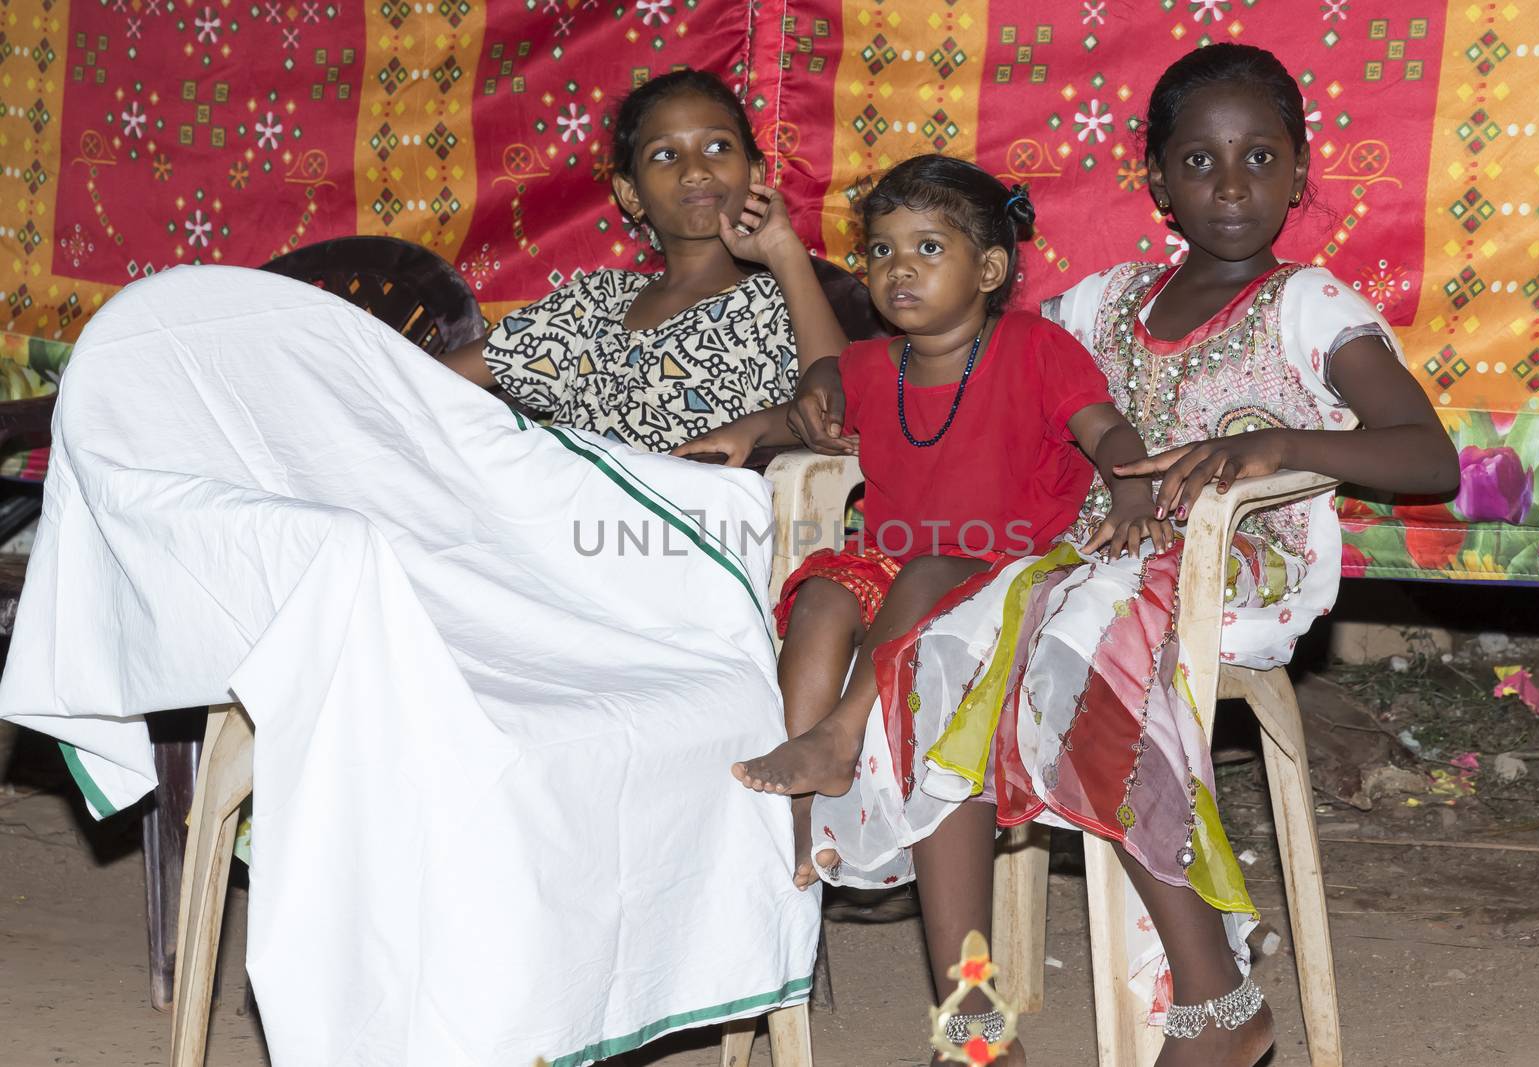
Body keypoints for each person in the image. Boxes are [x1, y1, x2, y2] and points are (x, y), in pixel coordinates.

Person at [783, 44, 1458, 1067]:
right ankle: (973, 1015)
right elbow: (960, 336)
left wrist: (1271, 443)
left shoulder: (1307, 304)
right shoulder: (1104, 303)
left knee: (1065, 639)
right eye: (1198, 163)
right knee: (932, 652)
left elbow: (1427, 456)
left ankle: (1215, 996)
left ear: (1298, 169)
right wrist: (832, 377)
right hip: (1084, 560)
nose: (1229, 187)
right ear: (1157, 180)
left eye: (1259, 159)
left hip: (1231, 567)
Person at [730, 153, 1169, 1064]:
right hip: (901, 579)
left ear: (991, 268)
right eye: (882, 250)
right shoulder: (865, 363)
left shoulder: (1037, 350)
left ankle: (840, 736)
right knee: (820, 593)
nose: (899, 268)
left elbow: (1103, 429)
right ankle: (800, 843)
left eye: (929, 247)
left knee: (927, 571)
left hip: (1009, 585)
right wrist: (747, 432)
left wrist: (1130, 486)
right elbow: (799, 412)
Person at [443, 69, 846, 459]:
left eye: (717, 147)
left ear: (755, 172)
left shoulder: (775, 303)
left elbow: (838, 403)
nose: (695, 171)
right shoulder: (595, 302)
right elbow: (424, 379)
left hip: (690, 521)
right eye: (666, 154)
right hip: (560, 512)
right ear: (631, 193)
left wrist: (785, 252)